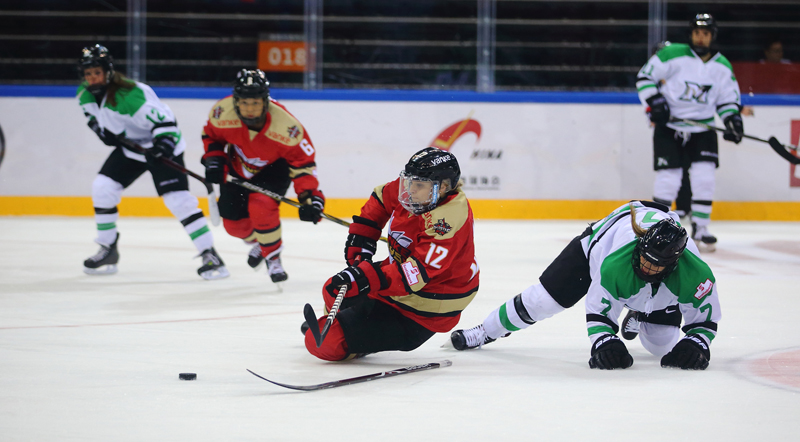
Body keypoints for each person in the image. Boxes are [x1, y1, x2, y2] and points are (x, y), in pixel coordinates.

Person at [451, 201, 721, 370]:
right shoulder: (615, 263)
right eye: (644, 258)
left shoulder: (694, 272)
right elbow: (598, 311)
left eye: (656, 264)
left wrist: (698, 342)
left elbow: (706, 318)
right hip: (593, 246)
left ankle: (639, 311)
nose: (646, 267)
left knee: (661, 347)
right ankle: (484, 331)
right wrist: (604, 341)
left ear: (674, 262)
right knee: (541, 301)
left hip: (653, 284)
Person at [303, 147, 480, 361]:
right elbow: (381, 198)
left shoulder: (447, 221)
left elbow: (416, 274)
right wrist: (362, 241)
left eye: (418, 185)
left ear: (442, 187)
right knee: (335, 288)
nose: (410, 190)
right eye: (409, 182)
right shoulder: (420, 188)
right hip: (401, 285)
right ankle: (345, 329)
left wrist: (367, 278)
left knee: (324, 343)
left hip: (428, 304)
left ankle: (349, 338)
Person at [77, 44, 228, 279]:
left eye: (96, 72)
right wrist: (102, 130)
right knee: (102, 188)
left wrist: (162, 147)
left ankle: (211, 255)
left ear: (108, 72)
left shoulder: (129, 95)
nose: (92, 78)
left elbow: (166, 123)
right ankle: (108, 249)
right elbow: (97, 122)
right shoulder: (85, 94)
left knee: (178, 201)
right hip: (131, 149)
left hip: (161, 146)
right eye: (88, 74)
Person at [201, 69, 325, 283]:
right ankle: (261, 243)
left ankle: (273, 257)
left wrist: (310, 198)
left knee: (261, 205)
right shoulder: (222, 112)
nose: (250, 109)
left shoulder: (287, 127)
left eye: (256, 103)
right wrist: (214, 159)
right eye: (245, 103)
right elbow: (212, 136)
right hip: (237, 167)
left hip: (274, 169)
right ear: (236, 101)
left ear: (266, 102)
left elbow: (303, 164)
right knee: (234, 226)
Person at [636, 13, 743, 252]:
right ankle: (657, 225)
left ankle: (702, 227)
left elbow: (727, 99)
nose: (701, 37)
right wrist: (655, 100)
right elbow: (645, 77)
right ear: (690, 34)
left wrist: (732, 119)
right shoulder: (672, 54)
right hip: (670, 126)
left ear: (712, 36)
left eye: (705, 33)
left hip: (702, 128)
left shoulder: (722, 65)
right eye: (697, 33)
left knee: (705, 178)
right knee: (668, 178)